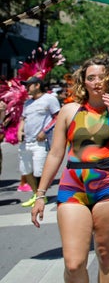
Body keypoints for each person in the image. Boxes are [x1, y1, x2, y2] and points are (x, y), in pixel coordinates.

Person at [30, 55, 109, 283]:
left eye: (101, 77)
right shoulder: (69, 111)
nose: (96, 82)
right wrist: (40, 194)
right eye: (91, 77)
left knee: (106, 255)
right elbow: (56, 153)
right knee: (74, 263)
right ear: (83, 81)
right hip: (72, 187)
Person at [18, 76, 61, 207]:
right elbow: (23, 119)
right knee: (26, 170)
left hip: (41, 142)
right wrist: (19, 131)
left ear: (37, 85)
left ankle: (40, 196)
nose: (26, 88)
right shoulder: (27, 103)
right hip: (26, 142)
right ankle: (37, 195)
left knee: (39, 171)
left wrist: (45, 131)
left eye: (28, 85)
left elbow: (57, 117)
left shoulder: (49, 99)